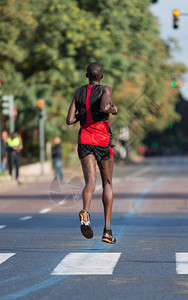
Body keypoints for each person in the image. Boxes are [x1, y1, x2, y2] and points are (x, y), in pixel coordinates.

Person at [66, 62, 118, 244]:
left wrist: (83, 113)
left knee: (90, 182)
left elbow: (70, 119)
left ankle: (85, 212)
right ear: (101, 76)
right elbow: (105, 108)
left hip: (85, 140)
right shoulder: (106, 89)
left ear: (86, 75)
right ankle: (107, 231)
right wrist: (114, 109)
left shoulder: (78, 92)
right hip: (102, 141)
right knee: (108, 183)